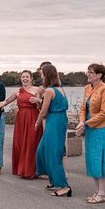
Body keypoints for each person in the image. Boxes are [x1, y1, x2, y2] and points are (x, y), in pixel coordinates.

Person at [76, 64, 105, 203]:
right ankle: (97, 190)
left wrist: (86, 123)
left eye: (91, 72)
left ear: (99, 75)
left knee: (101, 158)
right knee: (92, 158)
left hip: (102, 129)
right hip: (91, 128)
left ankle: (103, 192)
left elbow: (104, 113)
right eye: (88, 71)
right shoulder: (87, 88)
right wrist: (81, 121)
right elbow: (82, 108)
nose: (88, 74)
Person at [0, 70, 42, 178]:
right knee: (20, 143)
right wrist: (0, 103)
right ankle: (22, 169)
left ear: (31, 78)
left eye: (27, 77)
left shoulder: (38, 89)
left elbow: (44, 104)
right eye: (23, 77)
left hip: (33, 118)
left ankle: (31, 171)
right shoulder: (18, 91)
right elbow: (8, 101)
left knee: (31, 143)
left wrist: (38, 100)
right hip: (21, 119)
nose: (25, 79)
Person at [35, 64, 70, 197]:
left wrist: (37, 123)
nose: (41, 76)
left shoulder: (49, 91)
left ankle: (64, 186)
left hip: (54, 121)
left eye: (42, 74)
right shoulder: (60, 89)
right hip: (59, 120)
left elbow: (43, 111)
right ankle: (53, 179)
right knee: (42, 150)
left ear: (46, 75)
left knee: (53, 153)